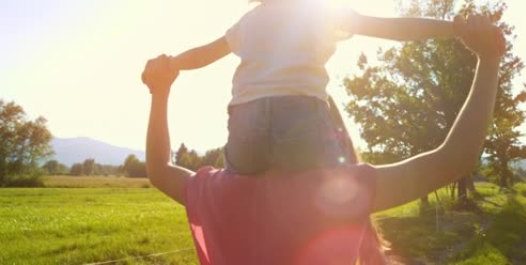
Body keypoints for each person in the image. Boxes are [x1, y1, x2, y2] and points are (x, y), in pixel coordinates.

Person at [142, 14, 504, 264]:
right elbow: (454, 159)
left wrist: (160, 92)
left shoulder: (216, 196)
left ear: (235, 123)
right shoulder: (337, 198)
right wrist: (488, 60)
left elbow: (158, 169)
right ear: (326, 134)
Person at [144, 0, 464, 175]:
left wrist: (170, 64)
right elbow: (393, 28)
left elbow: (204, 54)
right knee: (324, 183)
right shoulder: (322, 12)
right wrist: (454, 29)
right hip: (301, 118)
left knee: (242, 182)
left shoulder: (249, 20)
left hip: (246, 126)